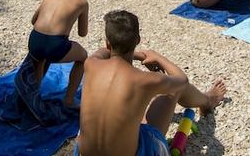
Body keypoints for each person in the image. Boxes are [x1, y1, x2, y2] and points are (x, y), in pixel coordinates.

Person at [75, 10, 226, 156]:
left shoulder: (91, 64)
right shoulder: (145, 80)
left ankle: (206, 101)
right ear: (138, 40)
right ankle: (207, 101)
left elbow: (102, 51)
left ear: (108, 42)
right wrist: (157, 57)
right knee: (174, 90)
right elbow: (182, 80)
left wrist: (137, 55)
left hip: (84, 153)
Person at [28, 0, 90, 106]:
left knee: (40, 61)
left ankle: (33, 97)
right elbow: (82, 33)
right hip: (55, 45)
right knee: (83, 57)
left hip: (34, 41)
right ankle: (68, 99)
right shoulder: (81, 3)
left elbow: (33, 21)